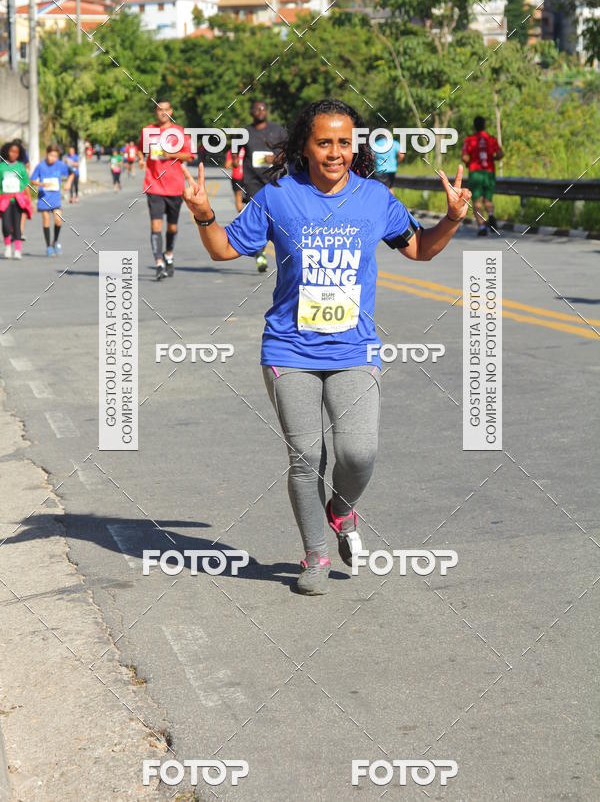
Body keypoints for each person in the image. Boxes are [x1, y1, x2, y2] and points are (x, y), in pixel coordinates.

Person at [182, 99, 471, 596]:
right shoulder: (278, 196)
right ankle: (314, 554)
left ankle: (341, 509)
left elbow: (420, 248)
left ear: (354, 146)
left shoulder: (374, 199)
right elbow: (225, 248)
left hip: (354, 350)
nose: (335, 152)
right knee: (305, 456)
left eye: (343, 142)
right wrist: (205, 214)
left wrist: (451, 218)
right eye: (324, 142)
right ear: (305, 146)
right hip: (288, 351)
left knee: (359, 453)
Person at [137, 100, 194, 281]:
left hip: (175, 186)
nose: (163, 112)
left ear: (171, 111)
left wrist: (170, 154)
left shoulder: (179, 132)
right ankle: (159, 263)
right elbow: (140, 150)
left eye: (166, 109)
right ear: (155, 112)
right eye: (159, 109)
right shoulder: (148, 131)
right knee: (156, 225)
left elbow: (189, 155)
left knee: (172, 227)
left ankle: (168, 254)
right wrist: (140, 159)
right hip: (154, 185)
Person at [239, 101, 287, 272]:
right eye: (256, 109)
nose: (260, 111)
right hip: (252, 182)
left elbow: (289, 153)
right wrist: (237, 191)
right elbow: (237, 161)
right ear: (251, 112)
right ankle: (260, 253)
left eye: (263, 108)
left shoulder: (278, 131)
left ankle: (284, 253)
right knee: (258, 218)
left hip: (274, 180)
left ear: (267, 111)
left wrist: (275, 160)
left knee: (275, 219)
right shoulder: (245, 133)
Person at [462, 116, 503, 236]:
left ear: (474, 126)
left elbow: (464, 157)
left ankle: (481, 226)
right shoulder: (491, 139)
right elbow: (500, 154)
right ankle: (490, 215)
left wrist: (469, 163)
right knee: (488, 199)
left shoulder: (469, 140)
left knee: (477, 201)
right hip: (489, 172)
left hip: (475, 173)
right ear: (484, 126)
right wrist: (492, 158)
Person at [30, 143, 73, 256]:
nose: (53, 158)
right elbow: (32, 180)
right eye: (51, 155)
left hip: (56, 198)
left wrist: (68, 183)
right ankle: (48, 246)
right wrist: (42, 184)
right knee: (46, 220)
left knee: (58, 220)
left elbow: (72, 173)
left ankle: (55, 241)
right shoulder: (41, 166)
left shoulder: (60, 165)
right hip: (44, 198)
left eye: (55, 156)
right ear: (47, 154)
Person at [0, 141, 32, 260]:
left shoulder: (20, 167)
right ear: (7, 151)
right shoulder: (2, 167)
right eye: (12, 151)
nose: (14, 154)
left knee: (17, 225)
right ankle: (8, 246)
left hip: (18, 200)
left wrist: (28, 198)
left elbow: (25, 183)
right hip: (5, 200)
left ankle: (18, 250)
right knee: (6, 226)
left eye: (16, 152)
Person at [225, 145, 245, 213]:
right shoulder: (250, 148)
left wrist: (234, 162)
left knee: (238, 197)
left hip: (237, 176)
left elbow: (227, 165)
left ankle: (242, 216)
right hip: (249, 176)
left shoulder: (232, 151)